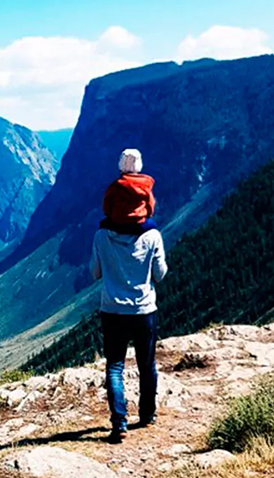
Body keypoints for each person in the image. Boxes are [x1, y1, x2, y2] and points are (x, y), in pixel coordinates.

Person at [90, 153, 168, 442]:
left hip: (112, 310)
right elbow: (160, 274)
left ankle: (118, 423)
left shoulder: (102, 236)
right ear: (145, 200)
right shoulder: (153, 236)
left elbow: (95, 273)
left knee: (114, 366)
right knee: (147, 364)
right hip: (144, 309)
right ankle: (147, 415)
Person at [100, 148, 157, 235]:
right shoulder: (145, 186)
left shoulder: (115, 186)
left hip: (117, 223)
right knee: (153, 230)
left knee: (102, 229)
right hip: (139, 223)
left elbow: (107, 207)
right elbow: (150, 206)